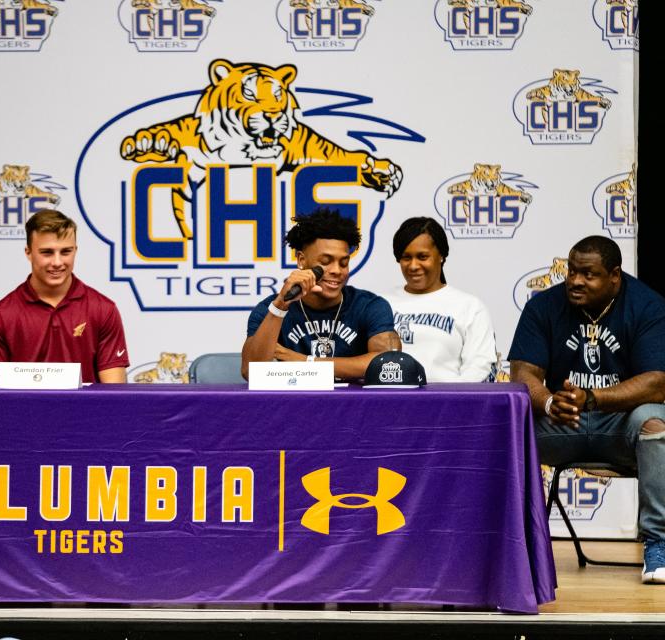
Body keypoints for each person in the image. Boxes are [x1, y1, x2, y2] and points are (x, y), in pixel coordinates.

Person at [508, 236, 665, 585]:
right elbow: (523, 374)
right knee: (510, 427)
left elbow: (657, 383)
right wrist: (549, 401)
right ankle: (514, 544)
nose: (576, 281)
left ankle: (658, 542)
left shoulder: (647, 306)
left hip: (622, 425)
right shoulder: (544, 307)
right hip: (564, 423)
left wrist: (593, 398)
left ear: (614, 276)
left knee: (655, 423)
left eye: (588, 274)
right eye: (572, 271)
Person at [242, 207, 400, 380]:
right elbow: (250, 371)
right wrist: (281, 305)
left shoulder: (369, 306)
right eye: (326, 262)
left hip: (354, 405)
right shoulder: (271, 309)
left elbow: (388, 363)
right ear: (302, 260)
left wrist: (304, 362)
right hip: (295, 404)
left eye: (344, 263)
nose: (337, 271)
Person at [0, 210, 129, 383]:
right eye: (47, 252)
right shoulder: (0, 316)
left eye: (65, 252)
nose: (57, 262)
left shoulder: (103, 310)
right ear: (28, 252)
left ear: (75, 251)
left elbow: (113, 395)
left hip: (86, 411)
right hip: (23, 411)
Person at [384, 217, 497, 382]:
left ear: (441, 256)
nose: (413, 266)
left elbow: (479, 368)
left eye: (422, 257)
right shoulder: (379, 303)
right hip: (388, 403)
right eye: (406, 257)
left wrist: (445, 400)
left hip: (448, 404)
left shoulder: (470, 307)